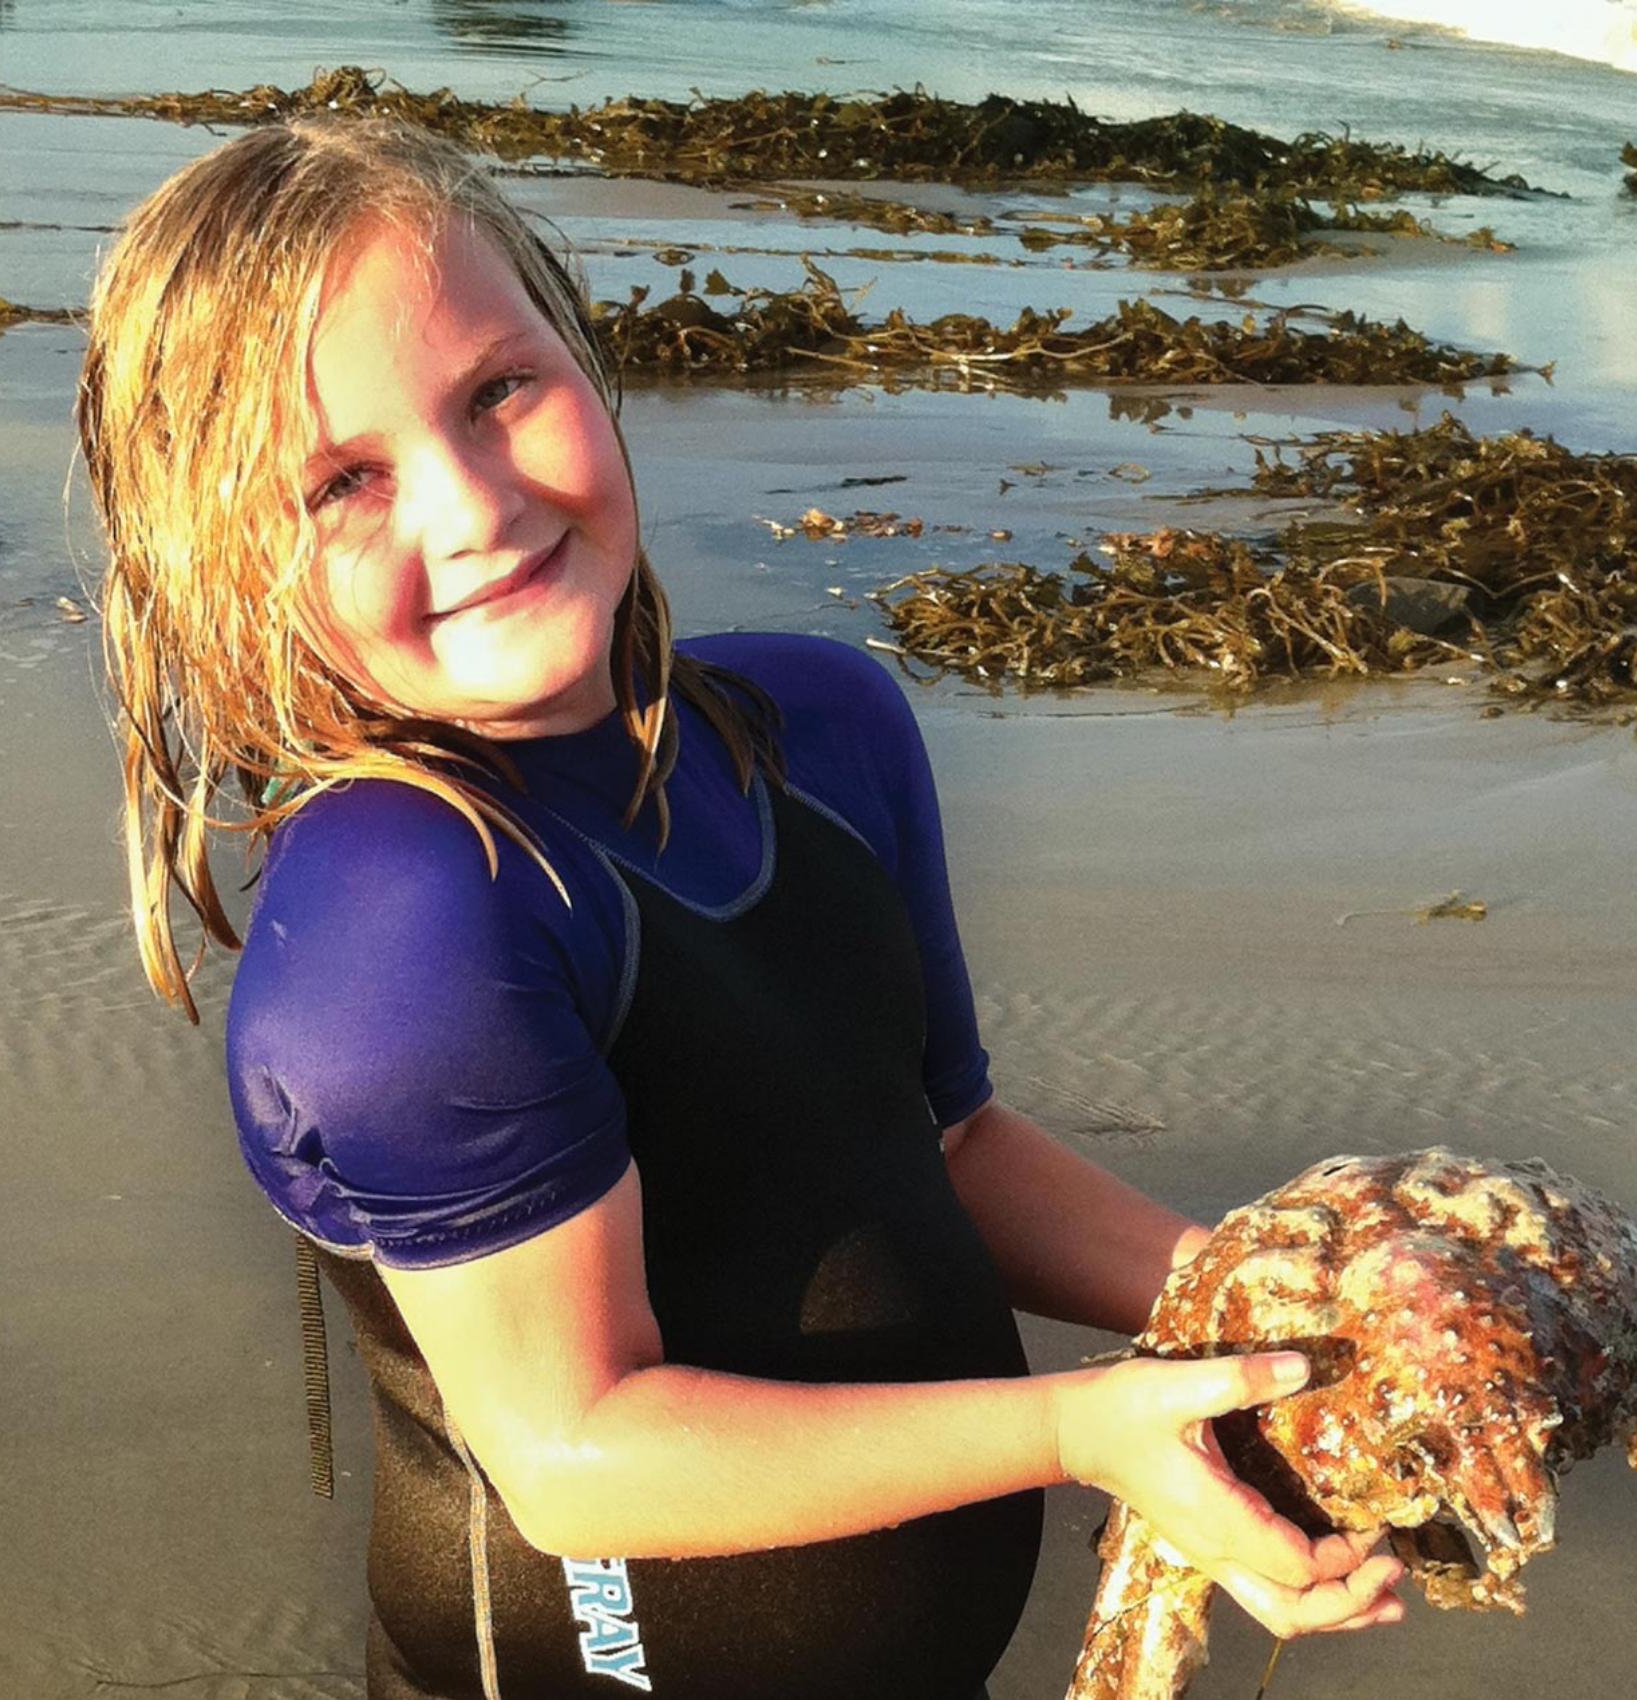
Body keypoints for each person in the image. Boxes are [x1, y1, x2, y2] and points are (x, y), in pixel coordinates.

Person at [76, 117, 1404, 1700]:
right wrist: (1081, 1432)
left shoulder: (821, 730)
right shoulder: (405, 921)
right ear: (218, 567)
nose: (474, 504)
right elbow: (577, 1458)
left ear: (583, 355)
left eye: (501, 390)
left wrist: (1281, 1317)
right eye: (343, 480)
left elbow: (953, 1153)